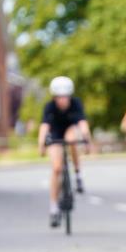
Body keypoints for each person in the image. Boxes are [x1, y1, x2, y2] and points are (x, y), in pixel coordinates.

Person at [38, 76, 93, 227]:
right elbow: (44, 127)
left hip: (70, 131)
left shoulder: (76, 104)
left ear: (69, 96)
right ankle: (54, 208)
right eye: (59, 97)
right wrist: (41, 144)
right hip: (55, 134)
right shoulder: (49, 107)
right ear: (54, 97)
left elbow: (82, 124)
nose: (62, 100)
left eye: (65, 97)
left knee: (72, 139)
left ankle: (77, 173)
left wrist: (87, 141)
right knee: (56, 169)